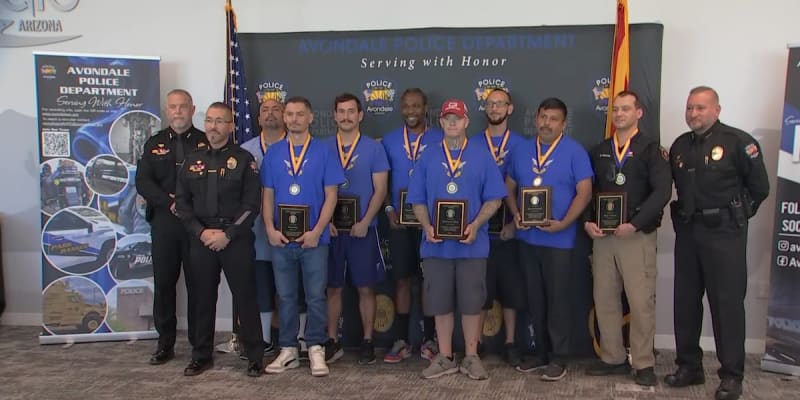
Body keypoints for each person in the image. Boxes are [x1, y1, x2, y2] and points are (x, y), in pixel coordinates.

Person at [664, 86, 769, 400]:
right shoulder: (680, 146)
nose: (693, 114)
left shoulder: (739, 142)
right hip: (689, 232)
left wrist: (736, 215)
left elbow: (759, 187)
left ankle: (732, 376)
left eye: (700, 108)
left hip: (725, 234)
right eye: (689, 108)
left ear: (716, 110)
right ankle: (689, 367)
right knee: (685, 302)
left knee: (726, 305)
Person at [407, 99, 505, 380]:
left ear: (466, 122)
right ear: (441, 122)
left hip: (471, 243)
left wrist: (475, 224)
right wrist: (426, 226)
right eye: (447, 118)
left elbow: (495, 198)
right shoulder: (427, 157)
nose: (452, 123)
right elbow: (417, 199)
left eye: (457, 118)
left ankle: (472, 356)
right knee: (439, 302)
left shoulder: (482, 156)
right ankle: (446, 356)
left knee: (473, 302)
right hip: (436, 244)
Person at [583, 91, 672, 386]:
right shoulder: (599, 149)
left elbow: (661, 193)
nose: (619, 114)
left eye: (625, 109)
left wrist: (634, 224)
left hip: (635, 236)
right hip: (604, 237)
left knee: (640, 300)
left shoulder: (651, 149)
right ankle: (612, 357)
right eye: (615, 110)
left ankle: (644, 363)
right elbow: (588, 191)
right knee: (605, 299)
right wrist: (587, 222)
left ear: (639, 113)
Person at [505, 97, 593, 381]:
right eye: (543, 117)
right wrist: (516, 212)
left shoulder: (575, 152)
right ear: (536, 119)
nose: (546, 123)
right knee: (535, 300)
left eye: (553, 119)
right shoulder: (521, 150)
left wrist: (564, 223)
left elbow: (585, 192)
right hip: (528, 239)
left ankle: (559, 356)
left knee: (557, 301)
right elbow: (508, 186)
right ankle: (540, 353)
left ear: (563, 124)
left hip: (560, 240)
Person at [175, 102, 264, 377]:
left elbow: (251, 205)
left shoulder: (244, 160)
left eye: (220, 121)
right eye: (210, 120)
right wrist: (201, 232)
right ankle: (201, 355)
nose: (213, 126)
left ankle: (254, 357)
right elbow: (182, 203)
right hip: (201, 239)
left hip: (234, 239)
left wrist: (228, 234)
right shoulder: (192, 160)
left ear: (231, 125)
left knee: (245, 298)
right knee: (202, 299)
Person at [262, 96, 345, 377]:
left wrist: (318, 231)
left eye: (300, 114)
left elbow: (332, 196)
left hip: (314, 239)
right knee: (285, 296)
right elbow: (268, 194)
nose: (294, 119)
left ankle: (315, 348)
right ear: (284, 118)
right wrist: (270, 229)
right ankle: (287, 349)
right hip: (281, 240)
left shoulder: (324, 152)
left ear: (311, 118)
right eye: (290, 114)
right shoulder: (273, 153)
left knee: (315, 296)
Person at [135, 89, 207, 366]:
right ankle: (164, 344)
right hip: (165, 222)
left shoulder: (205, 142)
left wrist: (188, 205)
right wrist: (169, 202)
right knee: (164, 285)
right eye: (173, 107)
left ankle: (199, 348)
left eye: (183, 107)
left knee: (198, 286)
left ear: (192, 109)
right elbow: (143, 182)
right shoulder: (154, 143)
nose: (178, 112)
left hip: (196, 223)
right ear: (167, 111)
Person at [323, 93, 390, 365]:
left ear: (360, 115)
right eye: (341, 111)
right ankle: (331, 340)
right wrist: (324, 221)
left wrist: (365, 221)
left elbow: (381, 189)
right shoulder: (323, 147)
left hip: (364, 228)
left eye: (352, 111)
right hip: (331, 229)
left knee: (365, 287)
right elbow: (318, 189)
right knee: (332, 288)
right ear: (334, 116)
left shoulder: (374, 149)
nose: (347, 116)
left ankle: (367, 340)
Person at [381, 88, 443, 363]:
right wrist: (389, 208)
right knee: (402, 280)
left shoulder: (441, 137)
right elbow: (382, 180)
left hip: (431, 223)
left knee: (430, 281)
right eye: (406, 106)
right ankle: (402, 339)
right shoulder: (390, 141)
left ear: (425, 107)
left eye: (416, 106)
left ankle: (431, 339)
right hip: (400, 222)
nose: (411, 111)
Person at [475, 89, 527, 368]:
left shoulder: (523, 145)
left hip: (511, 228)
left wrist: (515, 224)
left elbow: (528, 187)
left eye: (500, 104)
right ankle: (477, 343)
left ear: (510, 108)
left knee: (511, 290)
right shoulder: (472, 144)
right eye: (490, 104)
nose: (494, 108)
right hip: (480, 232)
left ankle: (510, 343)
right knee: (481, 289)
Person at [239, 98, 287, 357]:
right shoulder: (245, 151)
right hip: (255, 231)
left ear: (286, 116)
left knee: (292, 288)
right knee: (261, 286)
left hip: (291, 230)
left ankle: (296, 339)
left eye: (276, 109)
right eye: (265, 110)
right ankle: (264, 339)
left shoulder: (297, 146)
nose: (270, 114)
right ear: (257, 119)